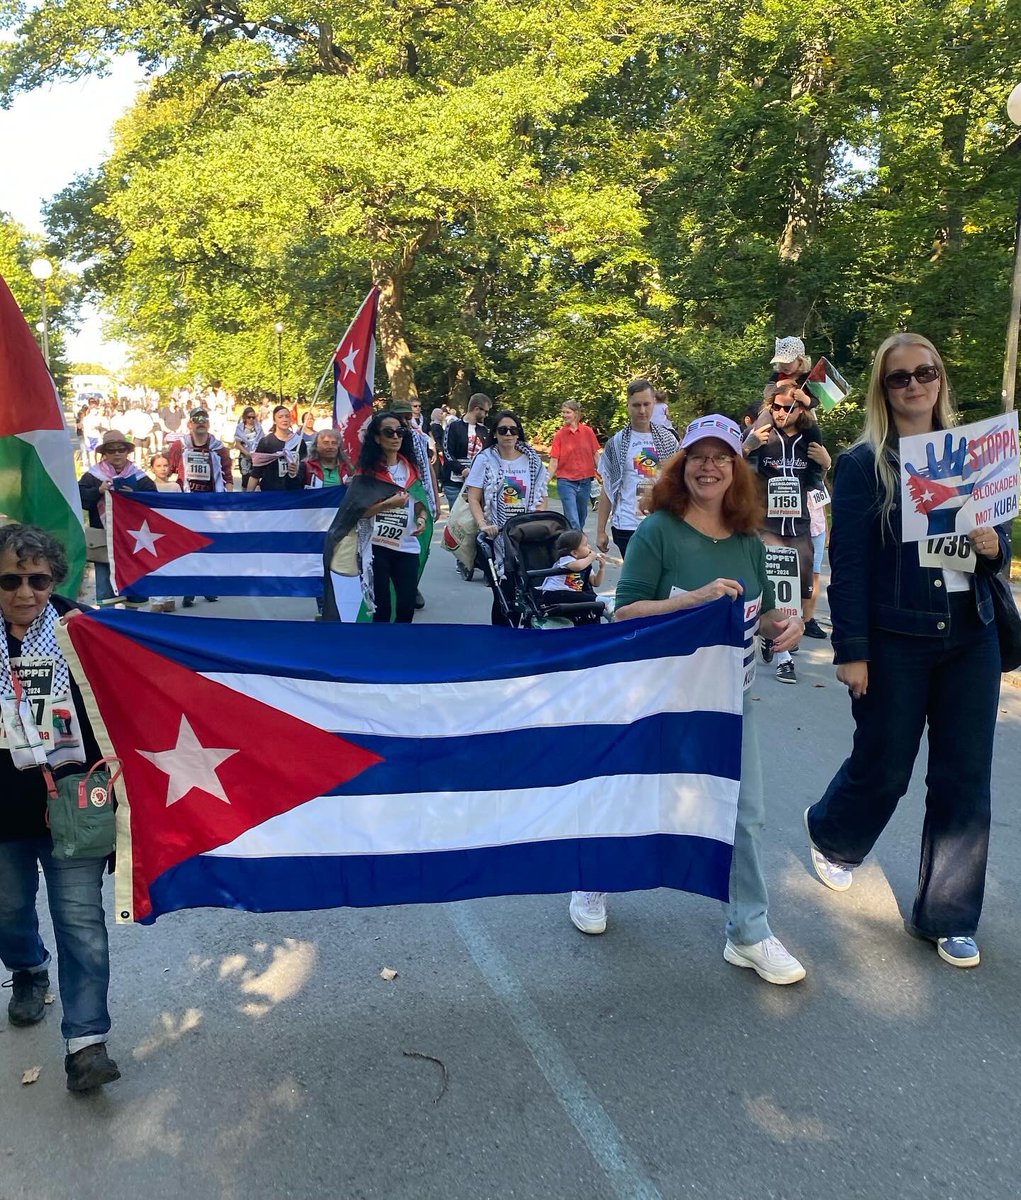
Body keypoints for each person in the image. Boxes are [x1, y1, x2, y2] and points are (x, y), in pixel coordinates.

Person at [575, 414, 806, 986]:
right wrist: (695, 599)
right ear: (682, 467)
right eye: (698, 456)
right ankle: (594, 878)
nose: (710, 466)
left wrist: (789, 623)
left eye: (722, 456)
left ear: (737, 469)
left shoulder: (752, 541)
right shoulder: (659, 531)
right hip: (659, 699)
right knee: (637, 795)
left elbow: (769, 615)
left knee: (744, 815)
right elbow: (624, 610)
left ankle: (748, 932)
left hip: (732, 702)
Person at [804, 333, 1009, 969]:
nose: (915, 385)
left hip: (970, 634)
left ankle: (949, 914)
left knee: (964, 776)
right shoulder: (864, 464)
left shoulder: (975, 456)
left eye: (926, 373)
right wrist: (851, 649)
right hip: (896, 640)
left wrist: (991, 545)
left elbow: (1000, 538)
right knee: (886, 763)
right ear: (883, 389)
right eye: (900, 378)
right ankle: (834, 833)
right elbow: (852, 561)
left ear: (941, 379)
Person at [0, 524, 120, 1092]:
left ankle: (86, 1042)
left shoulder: (86, 633)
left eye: (37, 579)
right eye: (9, 580)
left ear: (55, 579)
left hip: (74, 804)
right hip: (2, 811)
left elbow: (129, 701)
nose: (25, 593)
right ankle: (27, 968)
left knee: (82, 923)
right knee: (8, 910)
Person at [743, 379, 827, 683]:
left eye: (788, 407)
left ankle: (773, 633)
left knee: (801, 586)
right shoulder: (764, 435)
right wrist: (747, 446)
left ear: (800, 409)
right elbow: (738, 462)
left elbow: (818, 473)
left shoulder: (809, 436)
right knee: (779, 581)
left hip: (799, 524)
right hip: (767, 524)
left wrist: (827, 465)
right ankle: (783, 656)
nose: (781, 412)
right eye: (776, 407)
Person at [323, 412, 428, 623]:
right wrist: (388, 504)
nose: (396, 437)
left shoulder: (411, 469)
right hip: (377, 547)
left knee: (407, 606)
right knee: (382, 607)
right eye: (389, 433)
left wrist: (422, 519)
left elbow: (420, 505)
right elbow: (357, 513)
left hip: (407, 546)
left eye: (400, 432)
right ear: (377, 438)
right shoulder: (366, 473)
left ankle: (399, 649)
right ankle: (381, 650)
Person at [466, 410, 549, 625]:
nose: (509, 435)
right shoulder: (485, 460)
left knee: (528, 591)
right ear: (495, 434)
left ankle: (524, 631)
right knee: (503, 594)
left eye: (513, 430)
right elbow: (474, 498)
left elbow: (541, 497)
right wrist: (483, 524)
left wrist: (537, 522)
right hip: (497, 535)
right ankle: (502, 634)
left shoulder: (532, 461)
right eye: (503, 430)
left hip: (526, 534)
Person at [596, 379, 679, 558]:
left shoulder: (669, 440)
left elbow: (679, 485)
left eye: (646, 404)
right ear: (628, 406)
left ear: (654, 404)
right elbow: (608, 488)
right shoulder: (616, 443)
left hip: (661, 523)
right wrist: (600, 530)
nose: (642, 411)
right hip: (627, 524)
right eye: (636, 405)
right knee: (636, 580)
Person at [78, 430, 157, 604]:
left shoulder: (139, 477)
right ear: (104, 454)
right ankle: (108, 627)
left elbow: (154, 501)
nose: (117, 454)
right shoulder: (93, 476)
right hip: (104, 539)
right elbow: (79, 498)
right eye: (111, 450)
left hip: (133, 540)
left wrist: (135, 495)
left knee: (134, 588)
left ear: (128, 452)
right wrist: (98, 491)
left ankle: (132, 625)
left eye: (121, 449)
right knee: (106, 593)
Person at [548, 401, 601, 531]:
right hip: (566, 482)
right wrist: (545, 481)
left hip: (585, 481)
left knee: (581, 516)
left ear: (576, 414)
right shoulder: (560, 435)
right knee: (572, 517)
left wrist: (604, 474)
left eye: (567, 412)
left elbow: (595, 455)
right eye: (563, 412)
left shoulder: (587, 432)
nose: (564, 415)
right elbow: (554, 461)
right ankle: (577, 543)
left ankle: (574, 541)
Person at [442, 392, 492, 513]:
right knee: (457, 518)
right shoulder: (453, 427)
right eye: (485, 411)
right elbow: (447, 452)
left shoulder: (484, 431)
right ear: (476, 409)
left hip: (476, 484)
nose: (486, 415)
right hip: (455, 483)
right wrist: (462, 470)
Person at [247, 406, 304, 492]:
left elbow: (305, 468)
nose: (284, 419)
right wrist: (248, 498)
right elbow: (256, 473)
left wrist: (297, 470)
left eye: (287, 416)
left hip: (294, 492)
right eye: (280, 417)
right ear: (274, 420)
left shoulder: (299, 442)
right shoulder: (266, 442)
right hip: (271, 493)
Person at [540, 529, 605, 602]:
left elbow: (595, 582)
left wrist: (601, 569)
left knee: (585, 595)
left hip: (573, 595)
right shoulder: (566, 559)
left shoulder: (585, 563)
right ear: (574, 553)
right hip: (555, 593)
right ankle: (602, 601)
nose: (589, 547)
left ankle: (601, 603)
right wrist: (590, 557)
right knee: (583, 596)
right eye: (585, 545)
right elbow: (578, 567)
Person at [234, 406, 264, 491]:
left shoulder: (258, 427)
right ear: (245, 417)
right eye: (249, 417)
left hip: (256, 455)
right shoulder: (240, 428)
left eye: (253, 417)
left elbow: (262, 440)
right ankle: (245, 496)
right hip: (245, 456)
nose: (251, 419)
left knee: (256, 477)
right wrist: (247, 453)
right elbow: (238, 443)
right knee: (246, 478)